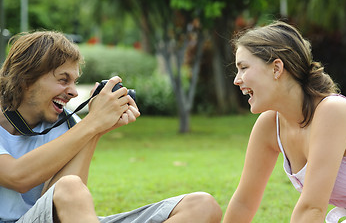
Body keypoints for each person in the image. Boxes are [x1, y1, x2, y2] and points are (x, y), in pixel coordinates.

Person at [0, 31, 222, 223]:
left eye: (74, 81)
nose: (73, 91)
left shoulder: (66, 124)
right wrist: (92, 122)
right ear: (26, 80)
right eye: (63, 80)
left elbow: (55, 209)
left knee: (202, 206)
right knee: (70, 187)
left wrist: (97, 129)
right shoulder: (79, 127)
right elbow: (18, 177)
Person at [222, 21, 346, 223]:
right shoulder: (269, 125)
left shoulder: (333, 112)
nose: (237, 80)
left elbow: (311, 208)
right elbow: (244, 202)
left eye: (243, 68)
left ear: (277, 68)